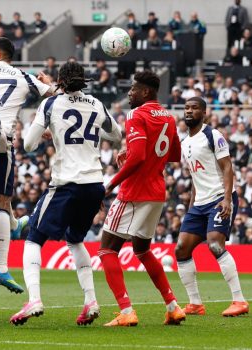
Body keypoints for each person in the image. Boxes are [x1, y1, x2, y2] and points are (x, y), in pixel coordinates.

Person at [11, 61, 122, 326]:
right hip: (95, 184)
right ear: (84, 82)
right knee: (75, 239)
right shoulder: (96, 104)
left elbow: (28, 144)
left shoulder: (51, 105)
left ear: (60, 82)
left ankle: (35, 299)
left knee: (33, 238)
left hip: (66, 183)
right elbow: (116, 135)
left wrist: (50, 130)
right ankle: (91, 301)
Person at [99, 71, 185, 326]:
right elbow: (175, 154)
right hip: (157, 191)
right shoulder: (169, 116)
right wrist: (137, 149)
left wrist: (110, 184)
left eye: (133, 89)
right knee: (143, 250)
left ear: (145, 92)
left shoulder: (136, 114)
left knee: (106, 249)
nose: (129, 93)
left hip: (134, 192)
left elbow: (137, 159)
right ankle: (173, 307)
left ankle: (126, 311)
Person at [0, 37, 54, 293]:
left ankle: (13, 224)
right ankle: (2, 267)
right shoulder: (24, 76)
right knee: (0, 199)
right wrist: (48, 85)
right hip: (1, 142)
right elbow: (56, 97)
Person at [174, 97, 248, 317]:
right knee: (181, 249)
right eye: (187, 108)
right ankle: (195, 303)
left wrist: (227, 198)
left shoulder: (212, 135)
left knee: (215, 245)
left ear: (204, 113)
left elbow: (227, 168)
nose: (189, 111)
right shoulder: (185, 142)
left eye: (194, 108)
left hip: (218, 199)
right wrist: (190, 207)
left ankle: (239, 300)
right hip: (198, 204)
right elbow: (197, 177)